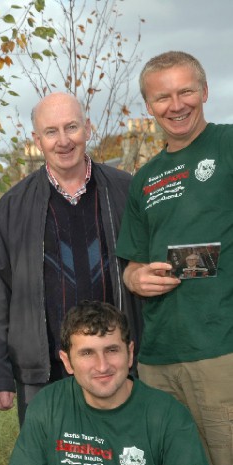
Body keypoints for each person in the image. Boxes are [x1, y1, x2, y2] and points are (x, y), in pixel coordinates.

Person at [0, 92, 142, 426]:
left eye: (72, 127)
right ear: (37, 140)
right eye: (51, 132)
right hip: (43, 374)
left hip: (118, 368)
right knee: (48, 450)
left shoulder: (127, 192)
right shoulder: (12, 207)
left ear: (88, 129)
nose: (63, 141)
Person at [116, 50, 233, 465]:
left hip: (220, 352)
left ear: (205, 92)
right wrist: (135, 278)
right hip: (157, 359)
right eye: (162, 97)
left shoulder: (227, 144)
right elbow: (131, 263)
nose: (176, 105)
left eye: (186, 92)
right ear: (149, 106)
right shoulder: (144, 178)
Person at [9, 300, 208, 465]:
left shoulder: (169, 416)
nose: (102, 366)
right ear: (67, 362)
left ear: (130, 353)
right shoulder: (47, 405)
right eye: (87, 353)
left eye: (112, 350)